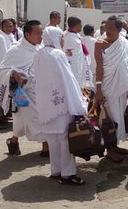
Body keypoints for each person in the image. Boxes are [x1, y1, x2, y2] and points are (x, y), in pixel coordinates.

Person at [34, 26, 87, 186]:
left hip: (45, 104)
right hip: (61, 104)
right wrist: (79, 102)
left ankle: (56, 171)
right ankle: (68, 174)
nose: (63, 40)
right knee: (65, 140)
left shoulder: (38, 54)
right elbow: (68, 79)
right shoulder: (57, 55)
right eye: (61, 37)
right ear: (55, 38)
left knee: (52, 140)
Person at [0, 20, 46, 156]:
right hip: (23, 94)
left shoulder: (41, 48)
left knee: (42, 118)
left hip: (41, 91)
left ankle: (16, 141)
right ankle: (43, 147)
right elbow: (1, 71)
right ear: (27, 34)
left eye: (42, 33)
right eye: (38, 33)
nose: (41, 36)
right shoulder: (16, 50)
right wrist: (13, 73)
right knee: (28, 119)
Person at [94, 16, 128, 162]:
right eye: (106, 28)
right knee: (109, 116)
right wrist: (99, 89)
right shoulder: (99, 44)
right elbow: (99, 67)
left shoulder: (124, 43)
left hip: (121, 87)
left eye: (111, 28)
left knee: (118, 115)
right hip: (107, 86)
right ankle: (109, 149)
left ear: (119, 30)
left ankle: (115, 145)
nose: (107, 31)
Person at [63, 16, 93, 90]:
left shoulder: (76, 35)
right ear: (77, 25)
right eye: (80, 24)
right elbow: (73, 57)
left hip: (78, 70)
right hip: (73, 71)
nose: (81, 26)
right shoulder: (70, 37)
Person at [82, 24, 97, 89]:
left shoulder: (79, 40)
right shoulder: (96, 42)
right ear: (92, 32)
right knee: (92, 90)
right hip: (93, 69)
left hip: (82, 70)